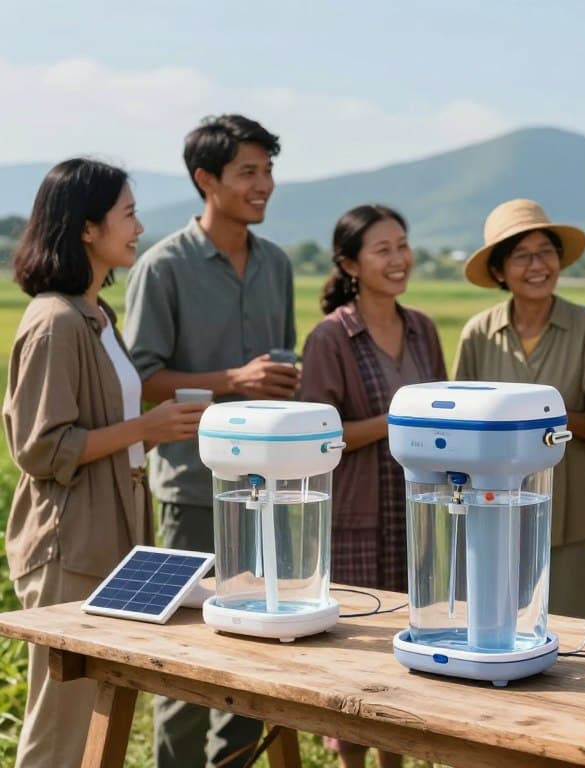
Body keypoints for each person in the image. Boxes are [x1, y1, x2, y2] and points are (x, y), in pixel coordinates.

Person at [3, 158, 205, 768]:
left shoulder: (96, 318)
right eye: (128, 214)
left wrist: (147, 432)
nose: (139, 227)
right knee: (62, 723)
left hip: (112, 537)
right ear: (88, 229)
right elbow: (40, 449)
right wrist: (143, 428)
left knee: (100, 713)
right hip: (72, 546)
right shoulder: (55, 322)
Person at [124, 114, 299, 768]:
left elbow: (274, 369)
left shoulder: (277, 263)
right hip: (194, 490)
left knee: (254, 656)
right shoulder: (163, 266)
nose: (264, 185)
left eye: (268, 171)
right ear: (206, 180)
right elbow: (143, 381)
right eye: (248, 172)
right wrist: (234, 380)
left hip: (267, 486)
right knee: (189, 661)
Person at [299, 204, 446, 768]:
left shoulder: (422, 329)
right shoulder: (331, 338)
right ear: (349, 263)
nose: (398, 258)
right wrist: (399, 420)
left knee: (412, 645)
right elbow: (319, 434)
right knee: (357, 657)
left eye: (402, 245)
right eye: (382, 249)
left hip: (419, 511)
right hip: (357, 516)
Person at [453, 199, 585, 619]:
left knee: (567, 622)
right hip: (489, 502)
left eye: (545, 252)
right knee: (491, 619)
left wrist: (531, 426)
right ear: (500, 271)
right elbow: (460, 428)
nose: (536, 264)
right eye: (521, 255)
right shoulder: (479, 335)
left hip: (572, 506)